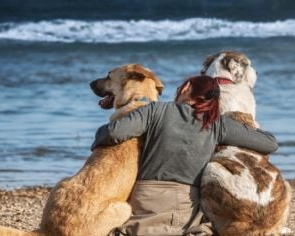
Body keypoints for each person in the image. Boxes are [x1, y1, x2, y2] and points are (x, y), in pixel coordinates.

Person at [91, 75, 278, 236]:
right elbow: (269, 143)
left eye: (180, 88)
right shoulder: (217, 124)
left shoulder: (156, 110)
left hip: (146, 195)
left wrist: (96, 140)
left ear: (187, 89)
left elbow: (113, 133)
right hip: (185, 202)